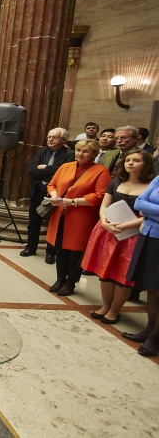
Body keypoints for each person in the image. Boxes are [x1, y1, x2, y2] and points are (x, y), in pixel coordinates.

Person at [82, 150, 155, 324]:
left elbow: (149, 214)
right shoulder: (116, 182)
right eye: (128, 160)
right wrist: (105, 221)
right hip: (109, 228)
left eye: (136, 160)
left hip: (133, 233)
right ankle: (105, 306)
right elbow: (104, 204)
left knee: (123, 274)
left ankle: (115, 310)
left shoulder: (152, 185)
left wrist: (126, 226)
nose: (130, 163)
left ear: (146, 164)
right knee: (105, 269)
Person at [45, 139, 110, 296]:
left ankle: (70, 282)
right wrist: (54, 195)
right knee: (60, 247)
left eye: (85, 151)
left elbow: (100, 195)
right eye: (79, 150)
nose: (80, 153)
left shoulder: (101, 171)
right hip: (60, 213)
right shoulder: (66, 166)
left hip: (81, 217)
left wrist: (73, 201)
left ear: (94, 154)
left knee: (75, 250)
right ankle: (60, 278)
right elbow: (52, 184)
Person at [21, 128, 75, 263]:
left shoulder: (69, 154)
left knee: (54, 223)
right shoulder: (42, 151)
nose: (50, 140)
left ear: (63, 140)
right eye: (49, 137)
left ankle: (51, 252)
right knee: (34, 221)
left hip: (57, 194)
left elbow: (64, 173)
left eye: (54, 137)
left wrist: (45, 167)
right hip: (38, 191)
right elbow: (32, 170)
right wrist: (52, 171)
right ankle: (31, 247)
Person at [123, 173, 159, 356]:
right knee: (151, 287)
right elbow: (139, 203)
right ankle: (150, 328)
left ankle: (155, 336)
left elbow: (145, 206)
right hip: (149, 234)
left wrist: (150, 211)